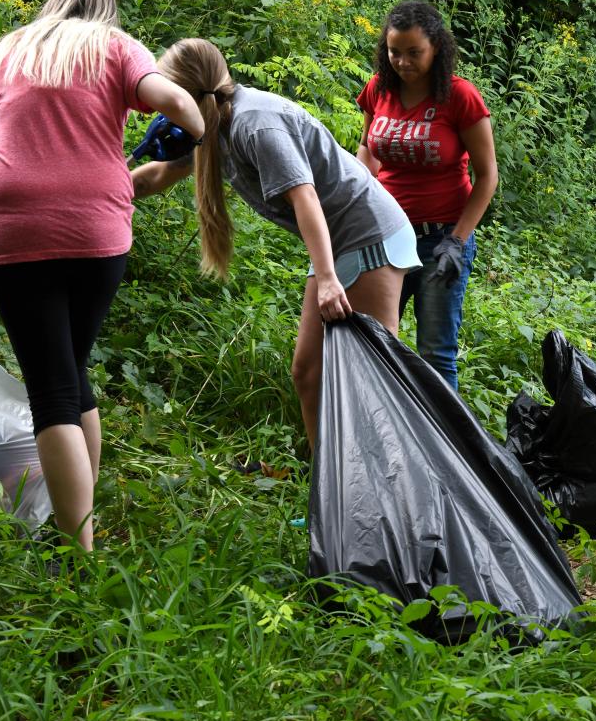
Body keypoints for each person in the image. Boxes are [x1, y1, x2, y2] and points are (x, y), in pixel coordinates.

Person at [0, 0, 204, 552]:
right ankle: (79, 503)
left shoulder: (8, 52)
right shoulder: (117, 47)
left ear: (53, 7)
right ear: (106, 13)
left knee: (53, 387)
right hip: (98, 229)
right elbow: (178, 102)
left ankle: (77, 552)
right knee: (70, 374)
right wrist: (192, 136)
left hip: (15, 227)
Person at [131, 38, 419, 451]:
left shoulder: (255, 123)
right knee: (309, 374)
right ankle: (333, 498)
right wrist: (93, 194)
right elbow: (154, 177)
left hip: (368, 234)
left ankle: (394, 496)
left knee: (372, 381)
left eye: (166, 95)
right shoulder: (210, 127)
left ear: (185, 95)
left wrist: (326, 278)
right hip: (334, 242)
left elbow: (306, 198)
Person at [355, 0, 497, 390]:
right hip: (384, 234)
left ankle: (441, 448)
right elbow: (368, 147)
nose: (402, 61)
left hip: (442, 240)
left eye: (413, 52)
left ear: (436, 47)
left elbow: (487, 177)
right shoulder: (378, 90)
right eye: (394, 52)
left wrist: (457, 240)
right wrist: (356, 187)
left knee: (435, 354)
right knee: (377, 343)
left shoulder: (460, 97)